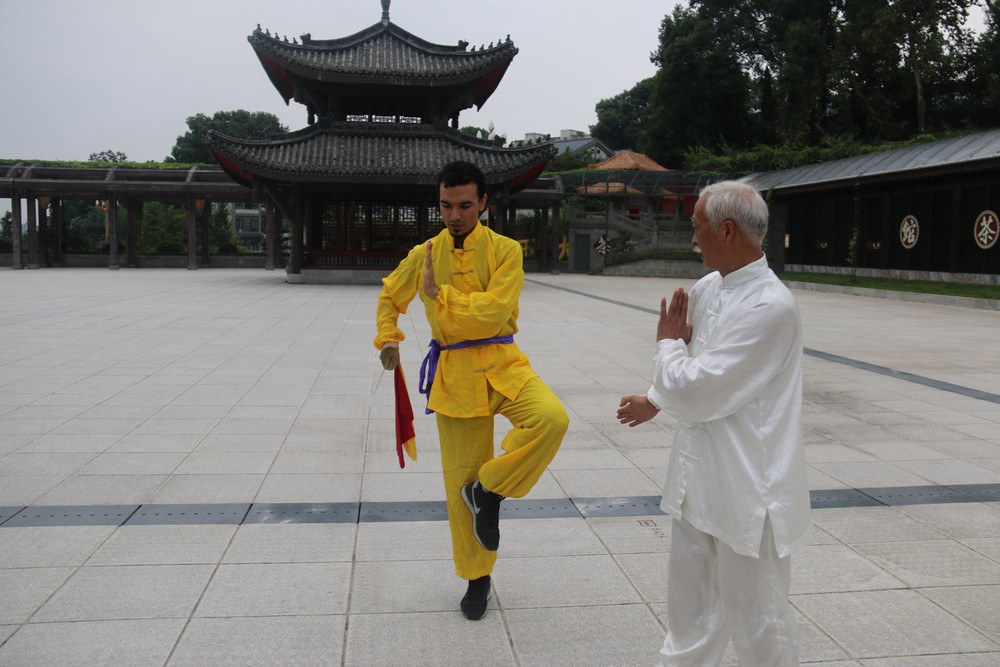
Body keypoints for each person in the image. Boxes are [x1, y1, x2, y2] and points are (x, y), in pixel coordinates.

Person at [617, 181, 811, 666]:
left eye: (697, 227)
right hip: (696, 476)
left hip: (748, 486)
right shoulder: (709, 287)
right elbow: (693, 371)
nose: (693, 239)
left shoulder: (770, 307)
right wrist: (655, 399)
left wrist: (666, 347)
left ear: (726, 230)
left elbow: (699, 386)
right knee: (690, 610)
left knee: (758, 618)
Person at [374, 160, 568, 621]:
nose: (454, 214)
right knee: (458, 478)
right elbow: (390, 296)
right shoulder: (426, 253)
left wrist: (441, 297)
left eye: (464, 205)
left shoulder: (505, 251)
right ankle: (477, 578)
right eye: (446, 205)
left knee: (551, 419)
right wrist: (387, 337)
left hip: (503, 362)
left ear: (483, 203)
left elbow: (493, 312)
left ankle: (490, 489)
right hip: (456, 373)